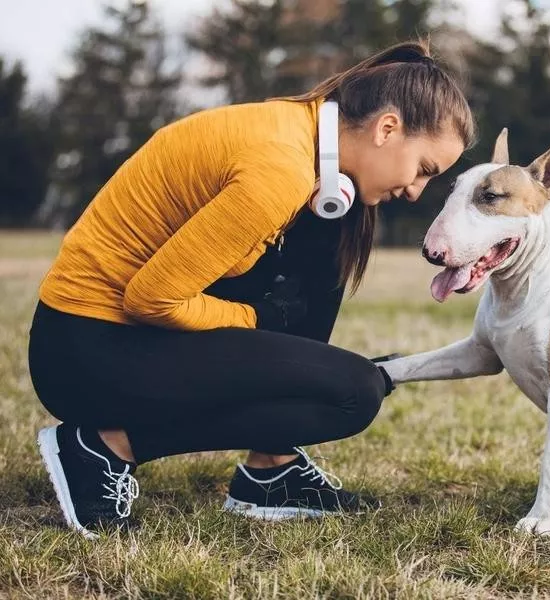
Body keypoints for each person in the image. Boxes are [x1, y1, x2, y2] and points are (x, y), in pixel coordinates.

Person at [27, 40, 475, 538]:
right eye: (424, 169)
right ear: (387, 128)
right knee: (354, 392)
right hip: (86, 353)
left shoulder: (298, 135)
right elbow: (153, 299)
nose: (416, 191)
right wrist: (257, 319)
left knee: (333, 224)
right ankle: (105, 447)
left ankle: (272, 467)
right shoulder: (278, 169)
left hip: (99, 337)